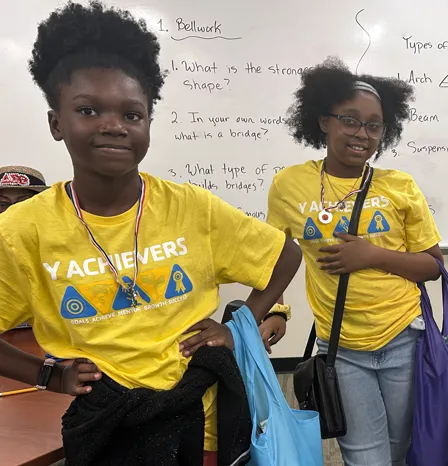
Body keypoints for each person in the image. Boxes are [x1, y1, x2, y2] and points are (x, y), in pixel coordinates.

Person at [0, 2, 301, 464]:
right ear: (56, 123)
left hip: (203, 422)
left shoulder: (190, 207)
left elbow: (284, 255)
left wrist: (235, 329)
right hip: (107, 423)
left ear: (147, 125)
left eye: (132, 115)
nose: (113, 126)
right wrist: (46, 374)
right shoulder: (22, 229)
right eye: (88, 110)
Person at [265, 57, 443, 466]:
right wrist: (275, 311)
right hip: (341, 346)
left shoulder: (399, 186)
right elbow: (275, 255)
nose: (362, 134)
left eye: (374, 125)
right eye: (349, 120)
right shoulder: (290, 183)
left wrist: (372, 255)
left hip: (404, 340)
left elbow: (433, 266)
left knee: (403, 452)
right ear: (323, 121)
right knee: (365, 458)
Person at [0, 165, 50, 329]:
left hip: (55, 335)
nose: (12, 210)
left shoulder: (60, 241)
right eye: (2, 203)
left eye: (24, 201)